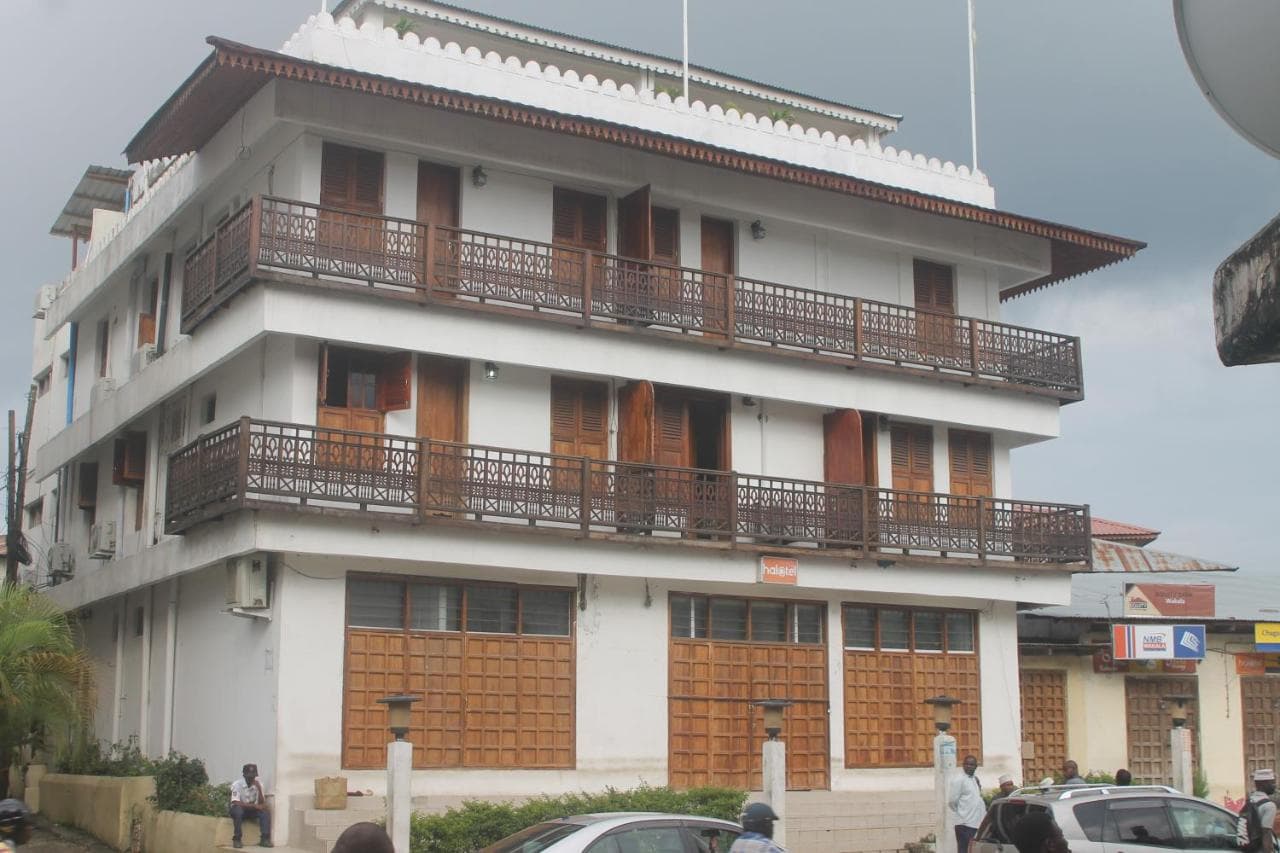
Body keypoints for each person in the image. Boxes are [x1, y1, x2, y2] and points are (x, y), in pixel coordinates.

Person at [229, 763, 273, 849]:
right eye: (249, 776)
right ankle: (237, 839)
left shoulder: (259, 784)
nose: (251, 778)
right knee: (238, 811)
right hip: (238, 809)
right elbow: (235, 802)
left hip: (250, 811)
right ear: (244, 775)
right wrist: (254, 806)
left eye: (253, 776)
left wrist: (259, 788)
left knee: (264, 812)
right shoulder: (237, 784)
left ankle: (264, 839)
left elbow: (261, 802)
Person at [949, 754, 985, 853]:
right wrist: (962, 813)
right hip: (964, 823)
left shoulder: (975, 779)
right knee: (964, 850)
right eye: (967, 764)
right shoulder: (959, 780)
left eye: (972, 764)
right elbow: (952, 801)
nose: (969, 766)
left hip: (976, 823)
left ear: (976, 767)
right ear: (963, 765)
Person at [1247, 768, 1277, 853]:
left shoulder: (1249, 801)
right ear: (1262, 784)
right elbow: (1266, 833)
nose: (1274, 785)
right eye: (1272, 782)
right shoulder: (1269, 806)